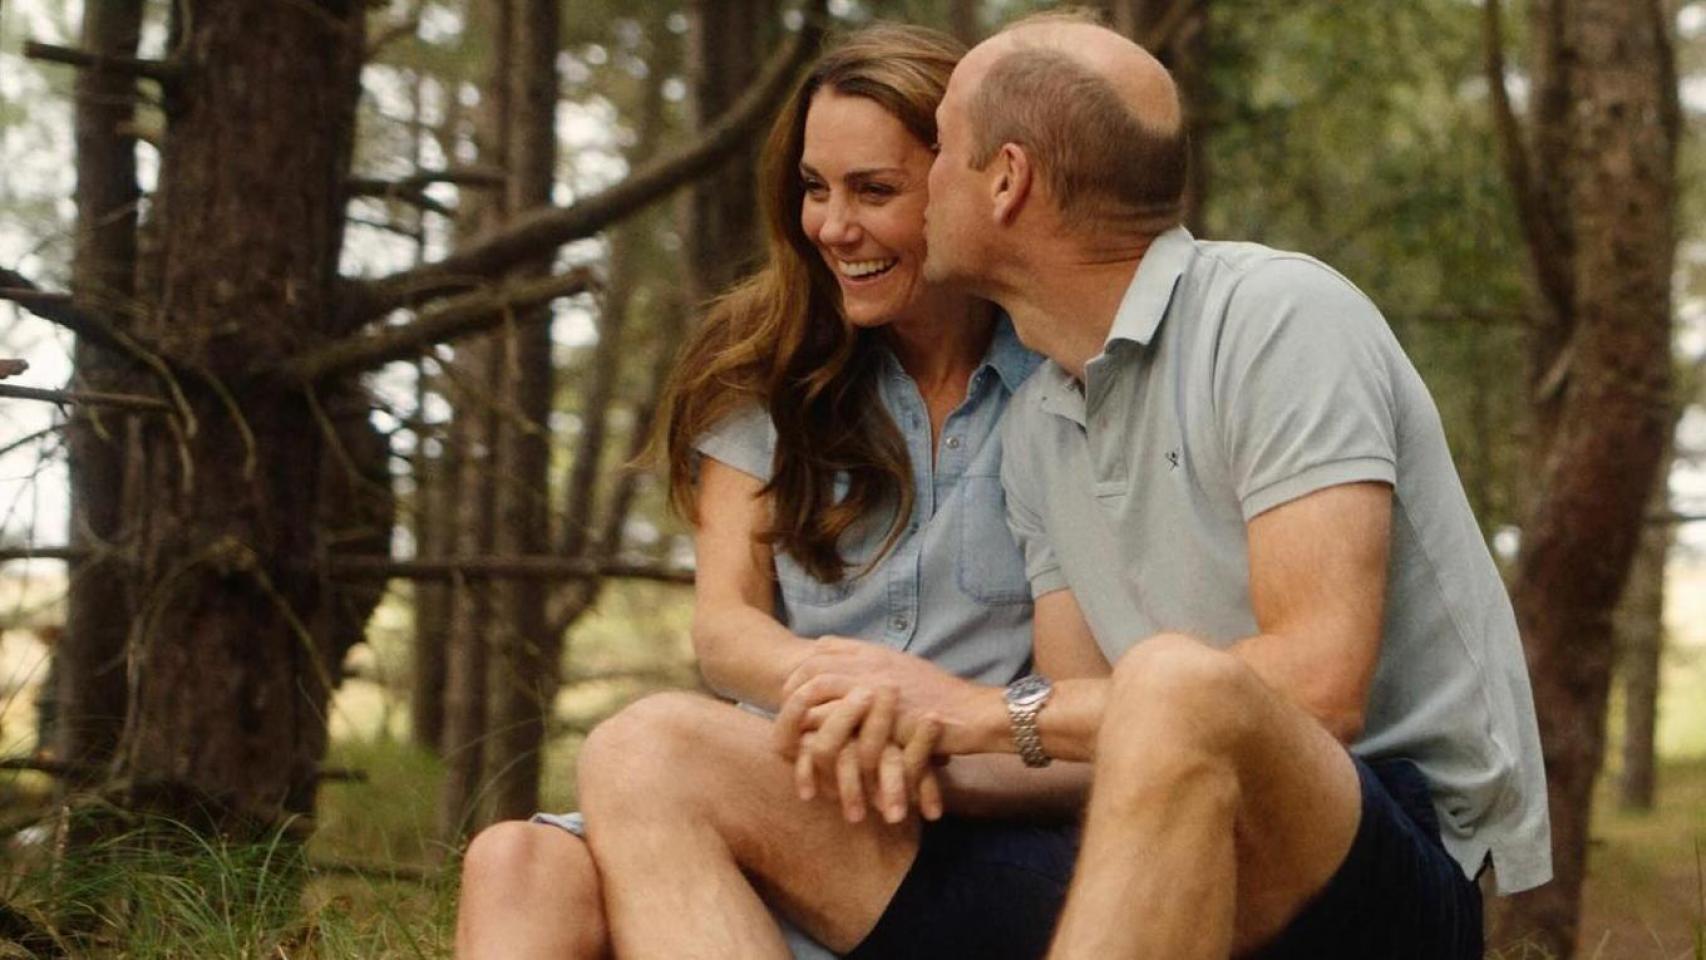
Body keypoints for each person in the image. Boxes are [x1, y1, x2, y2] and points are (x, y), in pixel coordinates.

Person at [776, 11, 1552, 960]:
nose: (924, 177)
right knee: (661, 750)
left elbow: (1318, 683)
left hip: (1380, 860)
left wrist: (975, 708)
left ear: (1007, 179)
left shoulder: (1279, 316)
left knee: (1176, 681)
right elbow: (1070, 732)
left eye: (940, 150)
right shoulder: (1039, 421)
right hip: (1161, 841)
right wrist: (908, 744)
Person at [454, 24, 1098, 960]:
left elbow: (1079, 715)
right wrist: (851, 703)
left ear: (967, 186)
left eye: (874, 190)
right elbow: (725, 630)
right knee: (513, 861)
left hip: (970, 807)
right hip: (778, 775)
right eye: (814, 187)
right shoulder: (768, 370)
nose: (833, 227)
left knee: (645, 747)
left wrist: (921, 727)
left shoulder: (1059, 387)